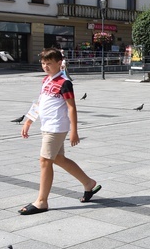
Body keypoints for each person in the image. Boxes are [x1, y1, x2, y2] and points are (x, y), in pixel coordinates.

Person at [18, 48, 100, 215]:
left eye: (49, 63)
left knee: (44, 161)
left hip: (56, 127)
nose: (45, 67)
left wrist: (74, 131)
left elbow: (72, 108)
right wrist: (28, 121)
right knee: (58, 159)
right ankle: (88, 183)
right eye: (43, 63)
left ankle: (42, 201)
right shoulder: (46, 81)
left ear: (59, 63)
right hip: (46, 126)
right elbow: (40, 103)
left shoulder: (64, 82)